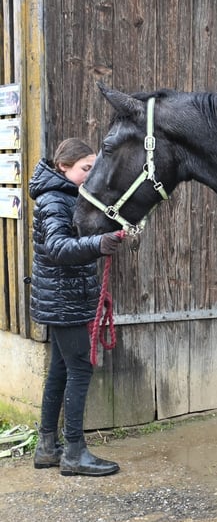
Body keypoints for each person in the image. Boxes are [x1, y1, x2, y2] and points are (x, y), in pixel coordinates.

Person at [29, 137, 124, 476]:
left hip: (64, 298)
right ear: (63, 167)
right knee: (80, 369)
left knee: (59, 369)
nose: (91, 174)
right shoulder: (54, 199)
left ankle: (47, 447)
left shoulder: (70, 196)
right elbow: (57, 247)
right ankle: (73, 452)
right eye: (86, 168)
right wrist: (99, 244)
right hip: (63, 300)